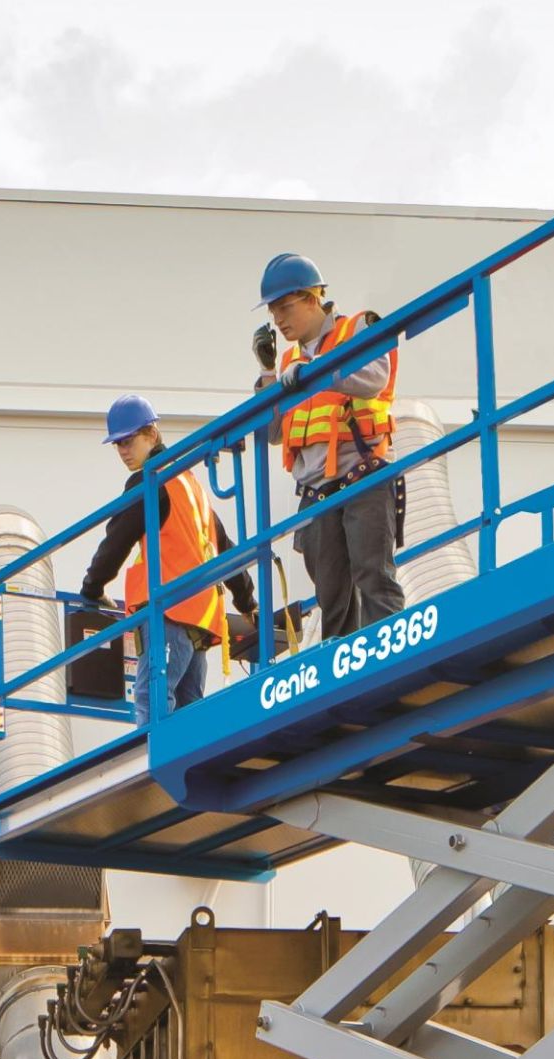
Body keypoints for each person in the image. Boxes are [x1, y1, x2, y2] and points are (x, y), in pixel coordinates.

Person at [78, 395, 258, 725]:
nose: (122, 451)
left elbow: (116, 541)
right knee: (189, 711)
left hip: (169, 611)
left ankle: (155, 773)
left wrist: (92, 587)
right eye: (117, 444)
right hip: (200, 621)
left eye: (128, 441)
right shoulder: (189, 485)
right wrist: (247, 600)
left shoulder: (150, 483)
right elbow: (224, 547)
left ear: (152, 434)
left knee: (152, 699)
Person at [253, 253, 405, 639]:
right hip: (317, 494)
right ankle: (342, 674)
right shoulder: (289, 360)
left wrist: (316, 370)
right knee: (331, 595)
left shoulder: (356, 328)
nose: (279, 321)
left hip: (362, 477)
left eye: (285, 307)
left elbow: (374, 376)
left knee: (374, 578)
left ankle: (385, 658)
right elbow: (272, 432)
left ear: (312, 298)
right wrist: (268, 373)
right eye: (273, 313)